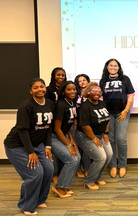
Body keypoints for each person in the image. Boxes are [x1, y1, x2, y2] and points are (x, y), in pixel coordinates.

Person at [4, 78, 54, 215]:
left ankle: (39, 200)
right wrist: (31, 152)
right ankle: (26, 205)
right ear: (30, 91)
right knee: (35, 174)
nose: (40, 90)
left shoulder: (49, 103)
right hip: (17, 146)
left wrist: (48, 146)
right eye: (36, 87)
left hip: (38, 145)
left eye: (42, 86)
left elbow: (49, 127)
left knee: (49, 169)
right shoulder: (26, 106)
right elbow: (22, 130)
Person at [99, 59, 135, 178]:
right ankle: (113, 165)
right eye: (111, 65)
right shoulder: (103, 81)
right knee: (110, 139)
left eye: (115, 65)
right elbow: (100, 98)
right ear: (107, 67)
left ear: (119, 67)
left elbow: (130, 96)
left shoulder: (125, 79)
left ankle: (122, 165)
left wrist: (125, 111)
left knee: (121, 139)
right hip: (108, 114)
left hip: (122, 113)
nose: (113, 67)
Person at [75, 82, 112, 190]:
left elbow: (107, 119)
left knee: (109, 155)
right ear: (88, 92)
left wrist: (105, 133)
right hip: (86, 136)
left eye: (99, 91)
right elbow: (85, 126)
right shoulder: (84, 107)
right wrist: (94, 139)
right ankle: (89, 180)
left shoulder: (102, 104)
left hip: (100, 135)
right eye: (94, 91)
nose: (97, 93)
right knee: (100, 157)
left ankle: (97, 177)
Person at [51, 81, 81, 198]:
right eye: (69, 90)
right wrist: (68, 146)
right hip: (54, 137)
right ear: (63, 91)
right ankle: (58, 187)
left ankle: (63, 185)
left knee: (77, 157)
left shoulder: (72, 103)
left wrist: (72, 140)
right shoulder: (61, 105)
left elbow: (67, 125)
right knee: (72, 159)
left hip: (64, 135)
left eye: (74, 89)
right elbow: (57, 128)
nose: (72, 91)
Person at [45, 67, 67, 183]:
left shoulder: (67, 89)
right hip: (52, 123)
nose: (60, 77)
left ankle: (63, 173)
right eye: (58, 75)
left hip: (64, 123)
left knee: (63, 149)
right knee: (54, 151)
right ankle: (54, 174)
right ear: (53, 76)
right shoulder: (48, 90)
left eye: (63, 75)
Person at [74, 74, 91, 178]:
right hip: (76, 123)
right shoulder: (74, 94)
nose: (82, 82)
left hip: (88, 124)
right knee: (77, 147)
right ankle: (78, 169)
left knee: (87, 149)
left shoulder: (92, 93)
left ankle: (87, 168)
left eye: (84, 80)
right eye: (80, 81)